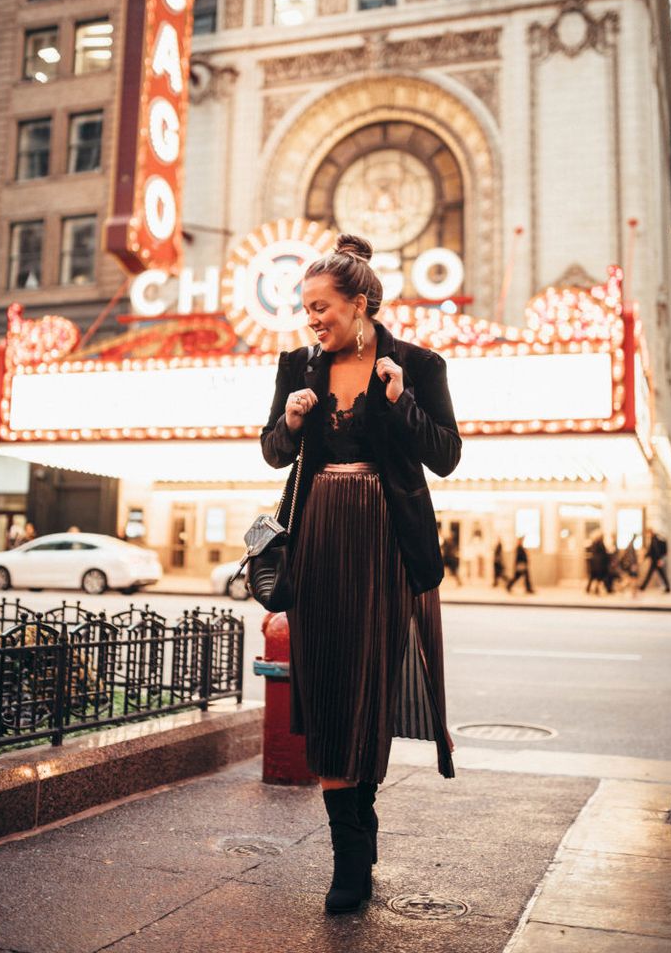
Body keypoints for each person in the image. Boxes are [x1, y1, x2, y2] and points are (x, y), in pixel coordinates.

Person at [261, 234, 461, 915]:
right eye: (306, 308)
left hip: (384, 543)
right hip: (317, 538)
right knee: (323, 683)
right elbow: (272, 451)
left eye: (322, 307)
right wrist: (289, 422)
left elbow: (446, 457)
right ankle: (350, 855)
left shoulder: (417, 364)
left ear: (361, 302)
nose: (312, 319)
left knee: (366, 685)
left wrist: (403, 402)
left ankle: (358, 830)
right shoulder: (298, 365)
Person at [638, 529, 670, 593]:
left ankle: (643, 587)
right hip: (655, 560)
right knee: (658, 574)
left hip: (655, 560)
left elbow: (655, 550)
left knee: (657, 574)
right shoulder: (654, 538)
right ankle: (643, 587)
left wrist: (658, 559)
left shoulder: (654, 539)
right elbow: (651, 550)